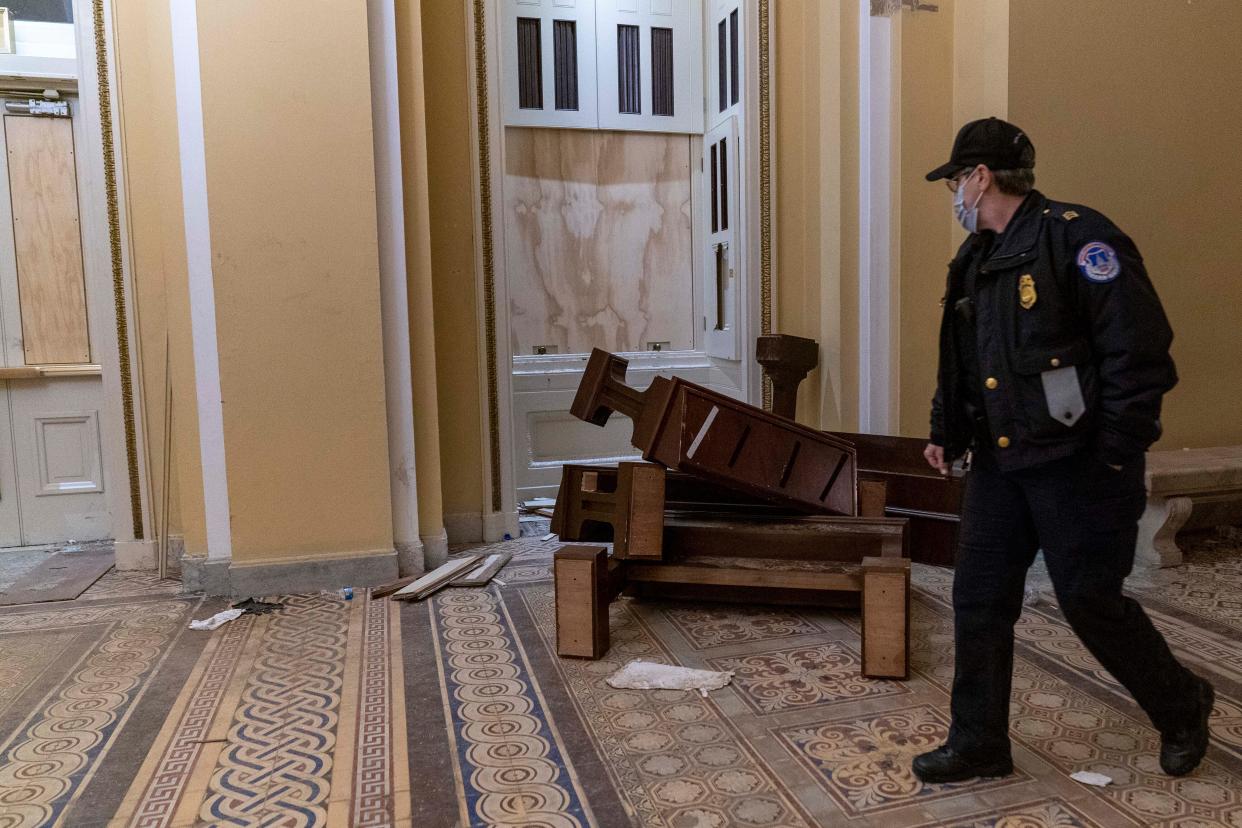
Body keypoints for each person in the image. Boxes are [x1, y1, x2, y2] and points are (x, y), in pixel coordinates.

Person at [913, 117, 1214, 783]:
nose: (955, 195)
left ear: (980, 177)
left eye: (956, 181)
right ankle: (979, 741)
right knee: (981, 596)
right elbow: (961, 359)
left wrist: (1114, 453)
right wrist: (946, 431)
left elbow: (1138, 356)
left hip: (1078, 467)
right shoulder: (975, 260)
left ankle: (1182, 702)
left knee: (1089, 601)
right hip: (1001, 464)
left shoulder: (1080, 239)